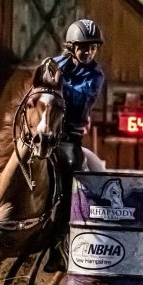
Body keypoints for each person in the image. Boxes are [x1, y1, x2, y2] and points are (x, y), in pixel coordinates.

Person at [44, 19, 105, 272]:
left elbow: (79, 99)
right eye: (83, 48)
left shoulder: (96, 75)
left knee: (71, 174)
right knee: (8, 148)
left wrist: (58, 83)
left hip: (69, 137)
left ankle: (57, 244)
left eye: (92, 48)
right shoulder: (56, 64)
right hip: (45, 130)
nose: (88, 52)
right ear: (71, 47)